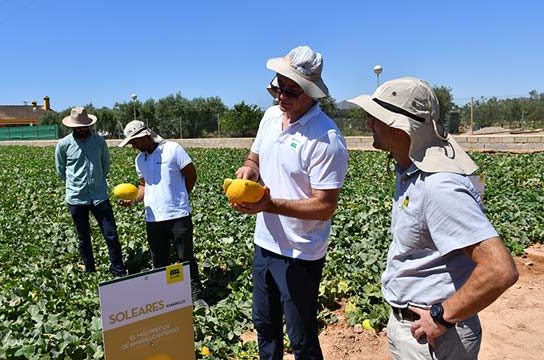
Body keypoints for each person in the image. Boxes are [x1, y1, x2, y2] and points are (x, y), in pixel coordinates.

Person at [347, 77, 519, 359]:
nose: (369, 123)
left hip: (437, 338)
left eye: (375, 117)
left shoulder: (439, 186)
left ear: (399, 127)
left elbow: (500, 269)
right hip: (419, 331)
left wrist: (441, 316)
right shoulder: (411, 172)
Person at [232, 45, 349, 359]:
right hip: (265, 242)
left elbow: (324, 206)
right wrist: (248, 170)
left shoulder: (326, 139)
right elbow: (254, 157)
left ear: (311, 93)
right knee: (264, 324)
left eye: (290, 91)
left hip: (300, 252)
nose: (280, 97)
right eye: (276, 88)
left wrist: (270, 205)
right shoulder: (271, 117)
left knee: (301, 337)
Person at [117, 120, 207, 308]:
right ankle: (166, 297)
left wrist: (181, 196)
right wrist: (133, 199)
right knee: (159, 260)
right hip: (153, 218)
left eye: (134, 141)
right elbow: (143, 185)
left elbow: (191, 174)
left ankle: (195, 295)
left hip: (178, 215)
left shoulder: (173, 149)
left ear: (145, 136)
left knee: (185, 257)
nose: (133, 146)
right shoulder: (140, 159)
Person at [55, 107, 126, 277]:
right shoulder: (63, 144)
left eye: (85, 126)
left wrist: (97, 181)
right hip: (76, 198)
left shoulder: (99, 142)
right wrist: (75, 185)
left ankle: (119, 271)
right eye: (79, 126)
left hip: (100, 196)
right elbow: (61, 169)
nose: (82, 129)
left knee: (111, 235)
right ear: (72, 126)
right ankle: (90, 272)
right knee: (83, 238)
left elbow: (105, 165)